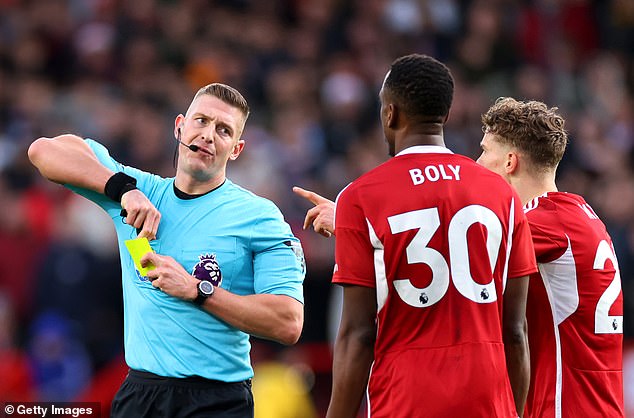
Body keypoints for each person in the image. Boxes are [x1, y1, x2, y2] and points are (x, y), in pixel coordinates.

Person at [28, 83, 306, 418]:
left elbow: (288, 322)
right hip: (140, 395)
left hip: (217, 399)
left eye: (223, 130)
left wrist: (197, 290)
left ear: (236, 149)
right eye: (201, 121)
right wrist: (121, 190)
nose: (208, 135)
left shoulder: (259, 216)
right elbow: (44, 150)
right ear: (179, 127)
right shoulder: (138, 192)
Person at [296, 54, 537, 418]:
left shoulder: (360, 198)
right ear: (445, 114)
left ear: (390, 113)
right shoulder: (501, 194)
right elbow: (516, 331)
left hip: (406, 401)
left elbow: (358, 334)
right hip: (488, 402)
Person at [476, 97, 624, 418]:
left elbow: (454, 249)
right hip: (596, 406)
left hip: (565, 407)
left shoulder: (542, 223)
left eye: (485, 151)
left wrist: (353, 225)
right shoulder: (580, 214)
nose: (476, 163)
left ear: (510, 161)